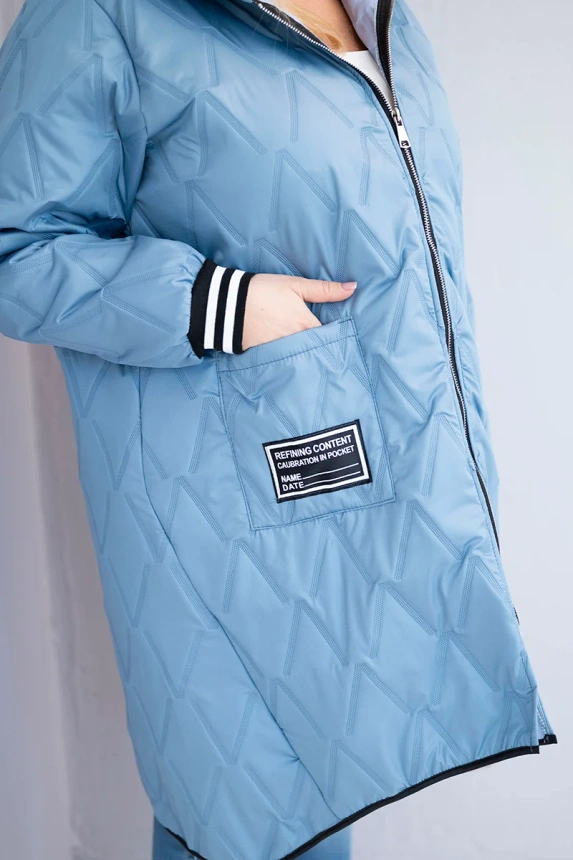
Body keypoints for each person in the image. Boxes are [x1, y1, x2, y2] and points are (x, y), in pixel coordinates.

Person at [0, 1, 557, 859]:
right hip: (229, 518)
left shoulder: (387, 16)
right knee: (253, 815)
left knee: (313, 811)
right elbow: (16, 249)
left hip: (388, 494)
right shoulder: (100, 13)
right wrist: (216, 304)